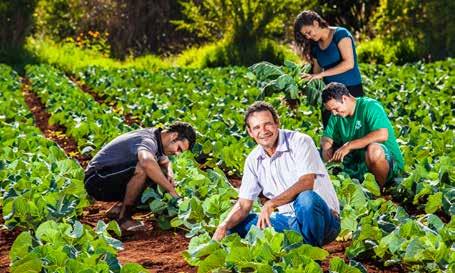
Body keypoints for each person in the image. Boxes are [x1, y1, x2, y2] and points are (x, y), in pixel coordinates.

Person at [212, 101, 340, 247]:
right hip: (287, 221)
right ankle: (295, 246)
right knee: (238, 225)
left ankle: (311, 253)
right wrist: (224, 225)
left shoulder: (300, 141)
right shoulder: (253, 160)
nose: (263, 131)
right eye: (256, 127)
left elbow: (307, 183)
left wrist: (271, 203)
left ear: (277, 122)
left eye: (267, 124)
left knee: (306, 198)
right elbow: (243, 205)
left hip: (323, 222)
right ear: (250, 132)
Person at [84, 122, 196, 231]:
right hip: (96, 179)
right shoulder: (148, 140)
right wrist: (171, 191)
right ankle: (124, 219)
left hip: (106, 177)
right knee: (145, 168)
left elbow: (165, 162)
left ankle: (118, 209)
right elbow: (146, 162)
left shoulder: (157, 138)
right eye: (179, 149)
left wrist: (169, 171)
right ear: (174, 136)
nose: (177, 154)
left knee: (159, 171)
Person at [320, 82, 404, 189]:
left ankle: (380, 192)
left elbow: (382, 134)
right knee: (319, 152)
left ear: (344, 98)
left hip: (388, 166)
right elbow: (327, 137)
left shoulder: (370, 106)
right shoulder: (336, 116)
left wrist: (349, 145)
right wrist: (326, 147)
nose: (334, 113)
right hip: (359, 165)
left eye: (335, 109)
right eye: (330, 110)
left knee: (374, 150)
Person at [294, 10, 364, 127]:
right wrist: (301, 88)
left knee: (355, 130)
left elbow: (349, 63)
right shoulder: (315, 45)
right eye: (305, 35)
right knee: (331, 134)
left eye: (308, 32)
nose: (308, 36)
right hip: (329, 96)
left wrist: (322, 74)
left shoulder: (340, 34)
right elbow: (316, 72)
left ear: (316, 23)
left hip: (351, 90)